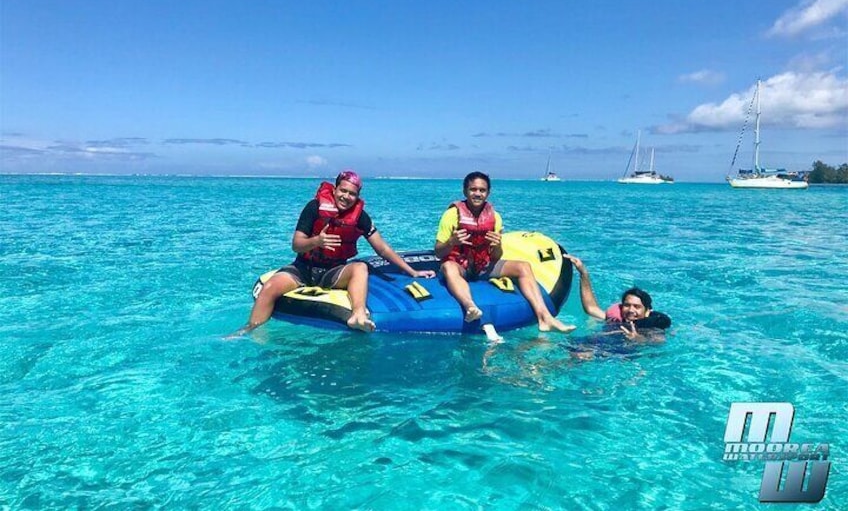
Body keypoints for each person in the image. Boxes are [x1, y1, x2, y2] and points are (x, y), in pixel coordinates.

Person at [228, 171, 435, 338]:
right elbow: (297, 244)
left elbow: (382, 248)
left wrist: (412, 271)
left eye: (352, 194)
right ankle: (249, 330)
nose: (346, 197)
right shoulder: (314, 208)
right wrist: (317, 241)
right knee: (270, 287)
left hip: (333, 271)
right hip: (303, 268)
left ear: (358, 196)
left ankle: (358, 315)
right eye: (342, 191)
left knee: (360, 267)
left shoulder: (360, 217)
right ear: (335, 190)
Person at [434, 171, 575, 342]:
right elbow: (438, 252)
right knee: (448, 267)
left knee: (523, 266)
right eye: (473, 189)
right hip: (460, 265)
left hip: (483, 265)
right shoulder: (451, 215)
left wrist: (497, 245)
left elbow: (496, 256)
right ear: (465, 191)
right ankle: (470, 307)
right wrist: (451, 242)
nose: (478, 194)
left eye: (482, 190)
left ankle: (545, 317)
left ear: (488, 193)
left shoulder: (495, 217)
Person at [565, 254, 671, 342]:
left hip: (623, 354)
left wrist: (638, 339)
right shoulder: (616, 320)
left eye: (637, 306)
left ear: (647, 311)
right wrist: (583, 273)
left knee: (583, 355)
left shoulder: (652, 327)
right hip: (598, 344)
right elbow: (591, 308)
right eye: (627, 305)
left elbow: (659, 341)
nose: (631, 310)